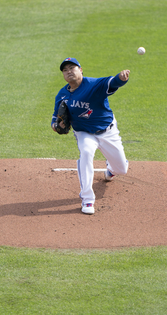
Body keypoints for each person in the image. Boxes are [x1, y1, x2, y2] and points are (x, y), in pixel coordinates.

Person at [51, 57, 130, 215]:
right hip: (84, 133)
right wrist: (57, 126)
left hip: (108, 131)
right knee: (86, 153)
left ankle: (111, 169)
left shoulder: (93, 85)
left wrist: (121, 78)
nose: (68, 72)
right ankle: (87, 199)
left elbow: (111, 83)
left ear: (80, 70)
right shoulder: (62, 95)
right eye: (65, 70)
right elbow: (54, 120)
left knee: (122, 169)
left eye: (72, 68)